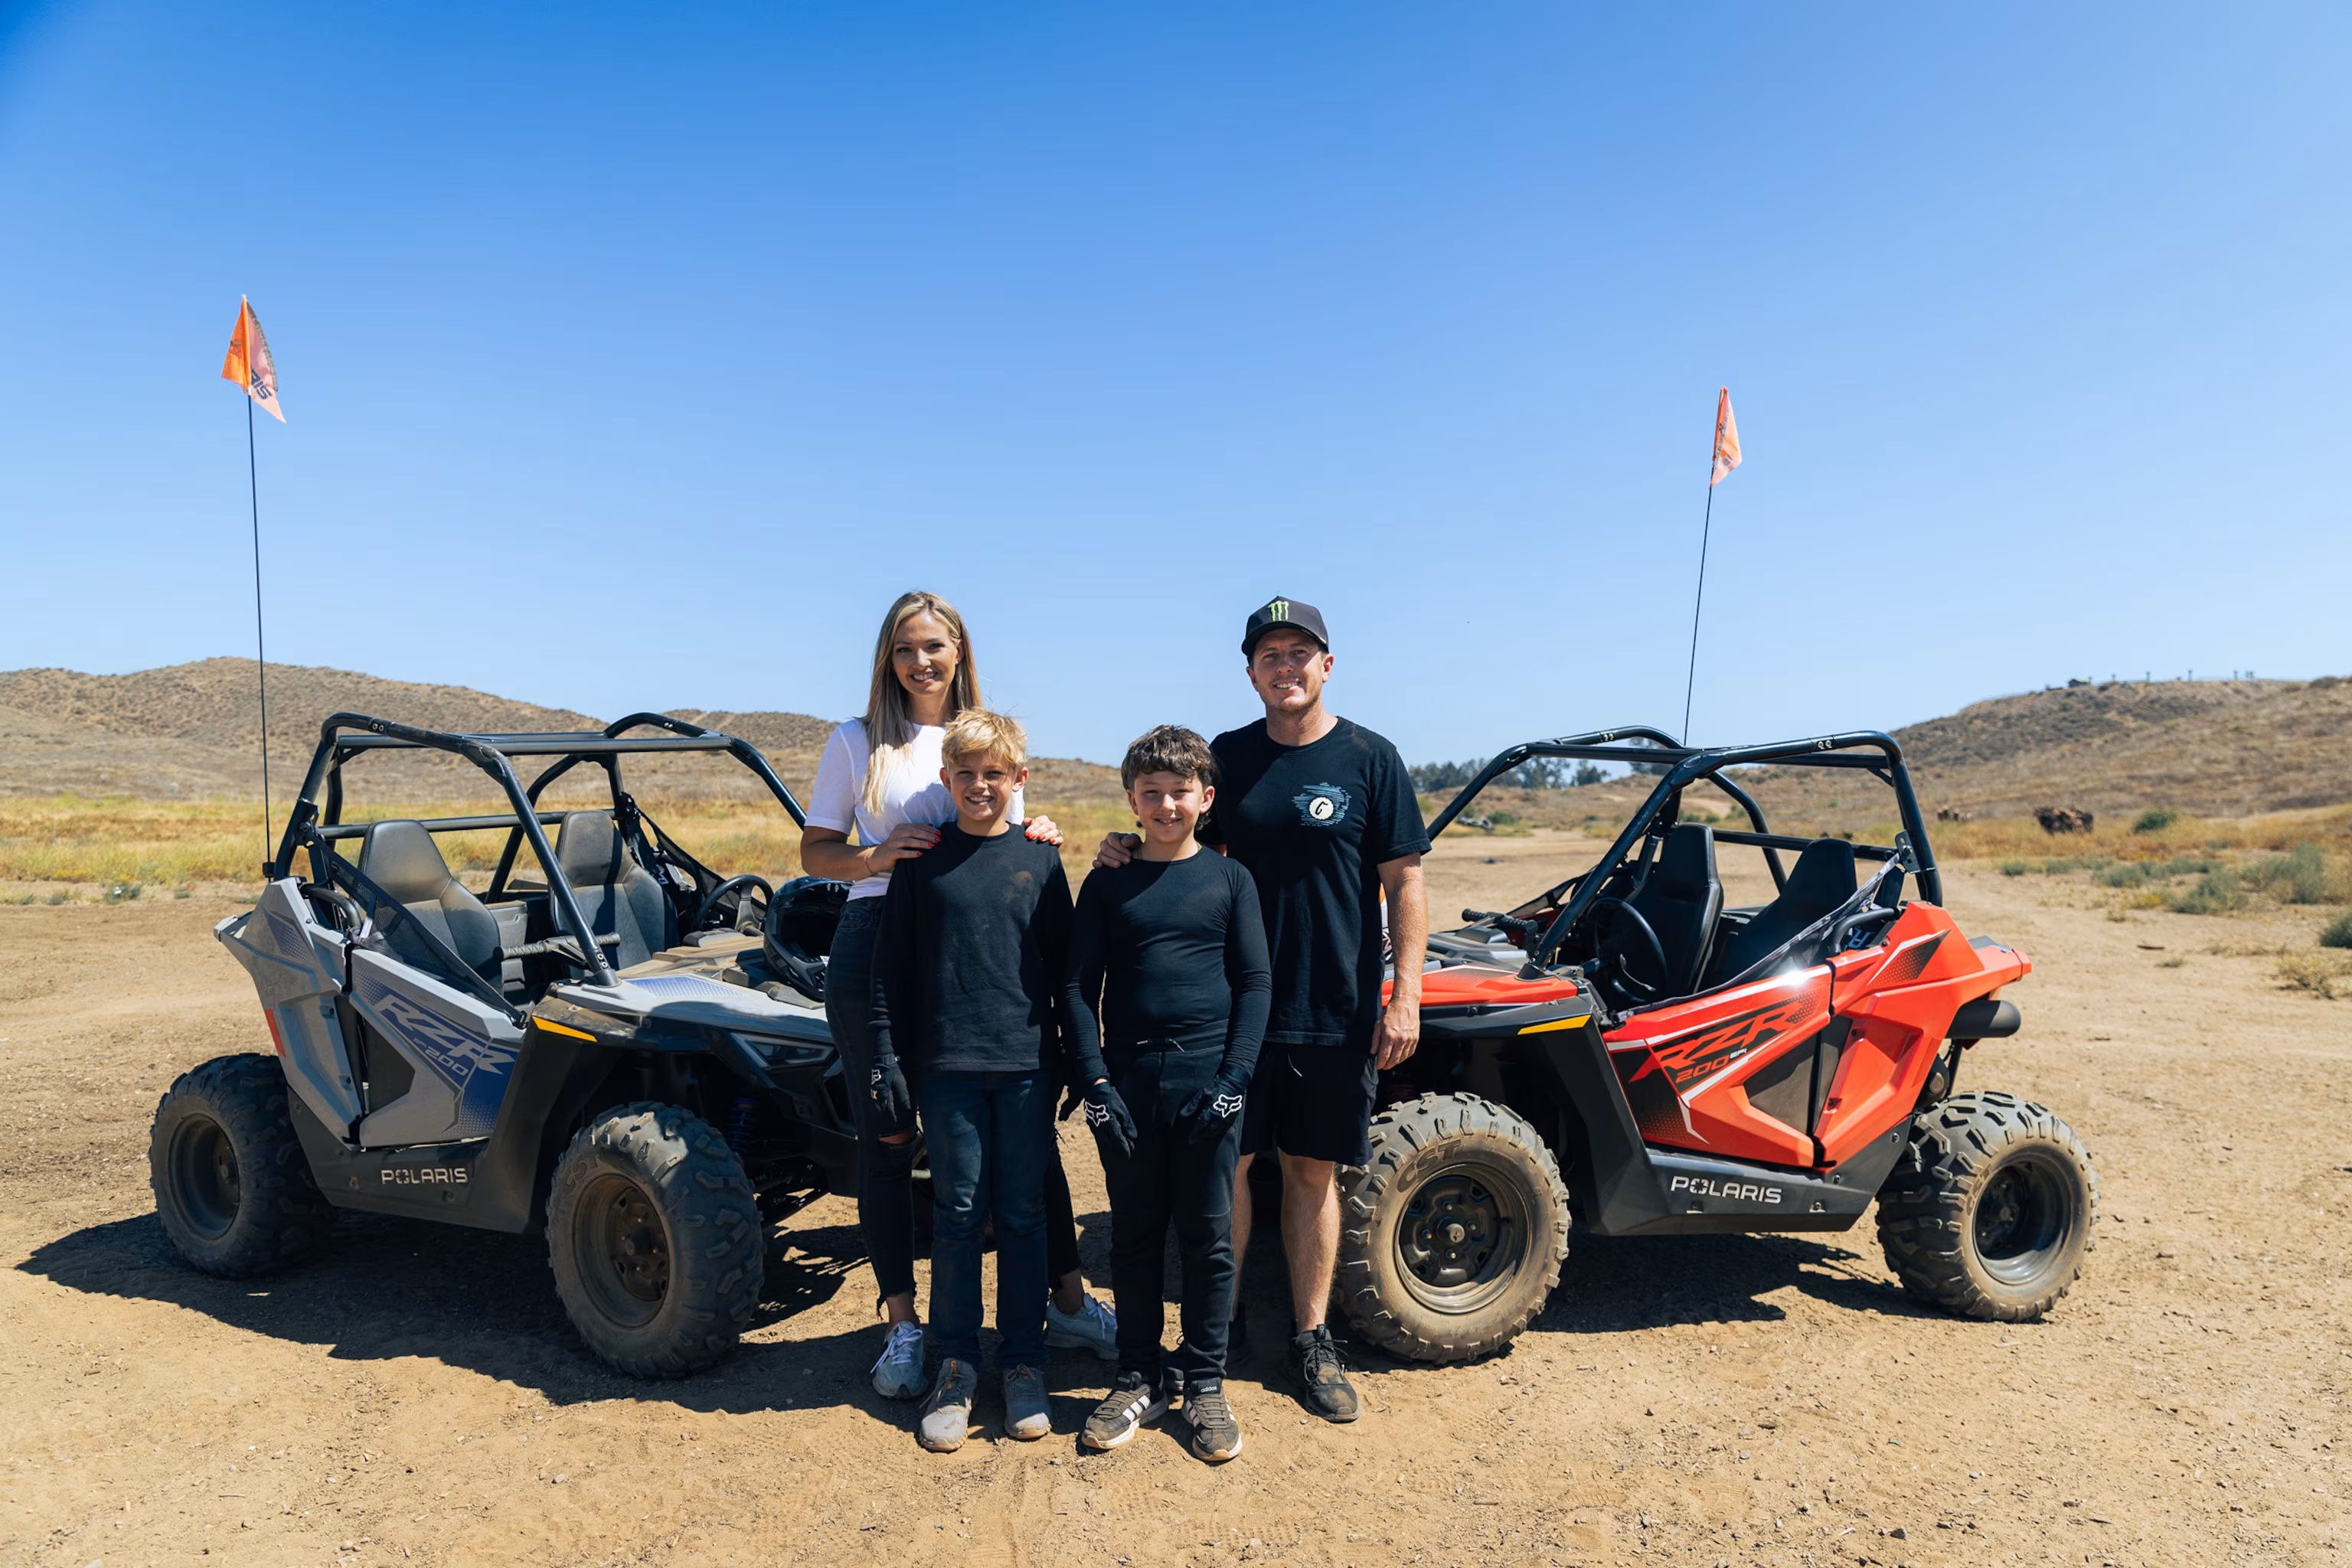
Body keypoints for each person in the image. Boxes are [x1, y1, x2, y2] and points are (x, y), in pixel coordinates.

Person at [1095, 596, 1428, 1423]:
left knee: (1313, 1171)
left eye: (1299, 653)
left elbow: (1405, 883)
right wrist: (1124, 847)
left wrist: (1406, 993)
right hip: (1227, 1011)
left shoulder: (1371, 759)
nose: (1285, 667)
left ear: (1327, 664)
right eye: (1269, 656)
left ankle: (1311, 1338)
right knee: (1228, 1168)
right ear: (1250, 672)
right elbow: (1179, 831)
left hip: (1333, 1003)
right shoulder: (1230, 759)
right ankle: (1222, 1328)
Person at [800, 590, 1116, 1403]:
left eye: (936, 645)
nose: (922, 660)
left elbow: (1000, 820)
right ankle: (906, 1324)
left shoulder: (984, 736)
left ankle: (1068, 1300)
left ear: (960, 650)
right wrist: (874, 857)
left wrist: (1034, 828)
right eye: (906, 648)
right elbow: (814, 849)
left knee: (1026, 1134)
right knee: (891, 1134)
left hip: (978, 938)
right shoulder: (859, 740)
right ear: (887, 658)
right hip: (879, 939)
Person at [867, 710, 1083, 1452]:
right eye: (967, 773)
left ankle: (1023, 1362)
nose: (981, 785)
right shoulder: (923, 860)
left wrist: (1080, 1060)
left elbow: (1068, 976)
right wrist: (888, 1063)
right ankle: (955, 1363)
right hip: (946, 1067)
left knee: (1022, 1213)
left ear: (1019, 780)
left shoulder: (1040, 859)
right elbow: (890, 971)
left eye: (996, 773)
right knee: (958, 1213)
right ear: (946, 779)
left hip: (1026, 1066)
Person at [1066, 725, 1269, 1464]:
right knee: (1136, 1235)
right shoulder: (1110, 879)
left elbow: (1254, 983)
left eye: (1180, 792)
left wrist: (1233, 1081)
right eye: (1150, 793)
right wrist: (1092, 1082)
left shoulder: (1229, 880)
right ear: (1131, 800)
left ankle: (1207, 1383)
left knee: (1209, 1239)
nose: (1165, 804)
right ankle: (1137, 1376)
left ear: (1205, 798)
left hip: (1207, 1084)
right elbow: (1076, 986)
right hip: (1126, 1085)